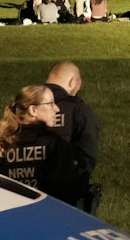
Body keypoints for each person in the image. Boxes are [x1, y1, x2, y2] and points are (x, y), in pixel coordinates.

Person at [0, 84, 89, 202]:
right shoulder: (55, 144)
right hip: (47, 215)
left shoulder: (2, 146)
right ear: (33, 110)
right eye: (50, 103)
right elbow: (70, 190)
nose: (57, 109)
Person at [43, 61, 103, 212]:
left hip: (21, 199)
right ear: (72, 82)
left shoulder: (23, 107)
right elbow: (87, 156)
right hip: (66, 202)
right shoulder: (77, 109)